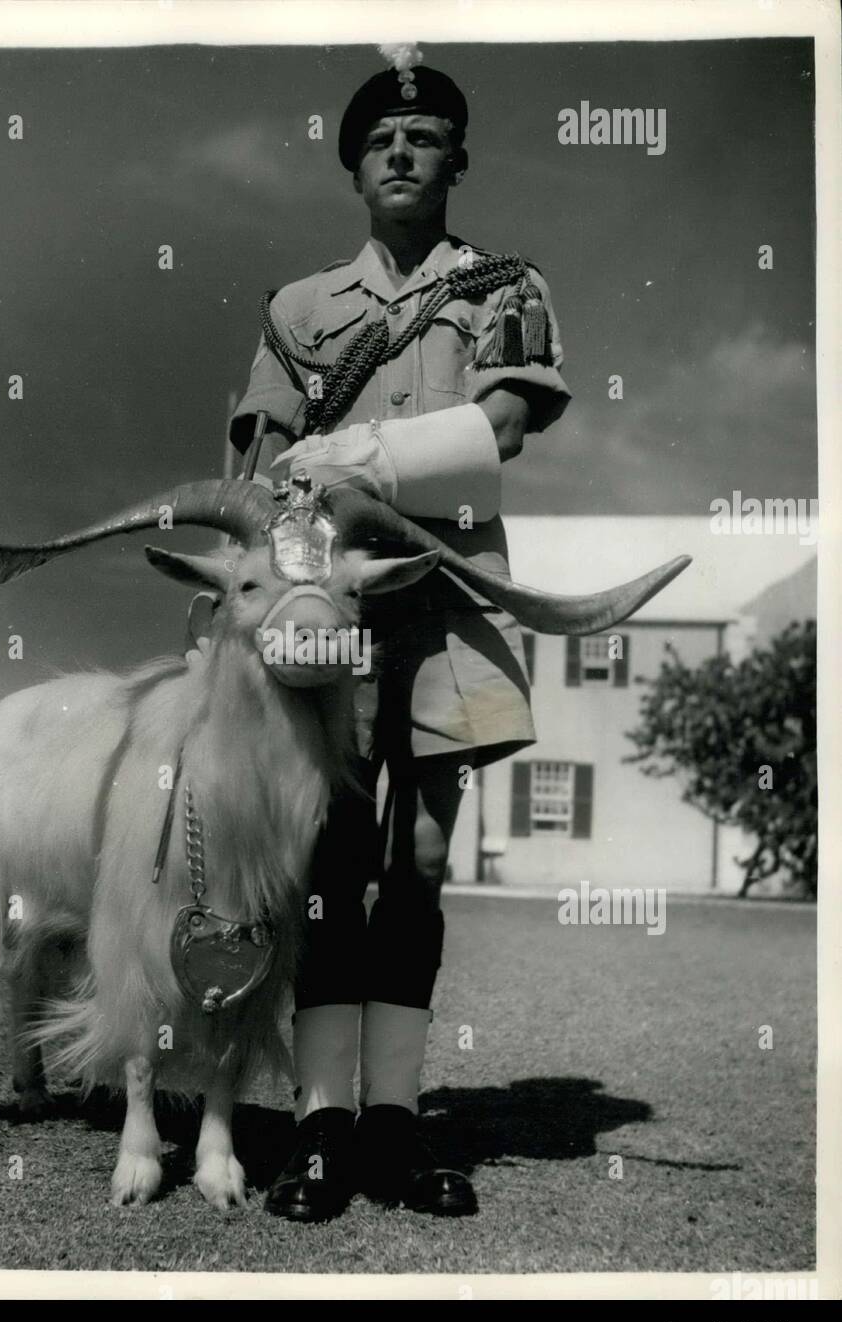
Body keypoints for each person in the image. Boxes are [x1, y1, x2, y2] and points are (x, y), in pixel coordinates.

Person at [227, 51, 572, 1221]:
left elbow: (506, 425)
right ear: (356, 166)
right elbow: (255, 467)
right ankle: (322, 1125)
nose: (403, 153)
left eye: (424, 138)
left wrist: (365, 455)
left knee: (418, 863)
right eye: (381, 141)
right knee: (330, 864)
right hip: (329, 607)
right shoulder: (299, 310)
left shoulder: (505, 286)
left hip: (451, 594)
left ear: (455, 157)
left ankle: (395, 1120)